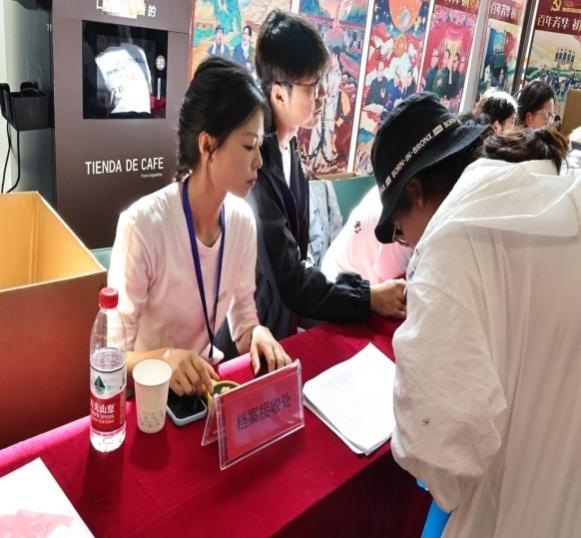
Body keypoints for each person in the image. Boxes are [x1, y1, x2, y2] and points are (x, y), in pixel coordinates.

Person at [373, 92, 580, 536]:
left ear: (415, 193)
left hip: (512, 508)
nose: (406, 243)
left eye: (398, 231)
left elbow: (442, 454)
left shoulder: (450, 246)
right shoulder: (547, 186)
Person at [108, 57, 291, 397]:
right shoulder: (143, 226)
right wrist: (164, 359)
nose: (259, 161)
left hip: (204, 391)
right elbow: (111, 358)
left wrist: (258, 334)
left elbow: (243, 320)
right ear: (207, 145)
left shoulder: (242, 222)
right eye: (248, 146)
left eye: (260, 147)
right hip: (150, 400)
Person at [240, 10, 406, 341]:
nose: (323, 94)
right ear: (279, 93)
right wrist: (367, 297)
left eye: (321, 81)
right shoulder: (256, 167)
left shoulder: (290, 149)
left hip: (282, 322)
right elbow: (288, 278)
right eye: (312, 86)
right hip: (252, 334)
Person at [321, 186, 411, 286]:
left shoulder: (393, 190)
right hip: (340, 282)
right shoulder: (398, 223)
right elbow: (392, 289)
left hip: (355, 273)